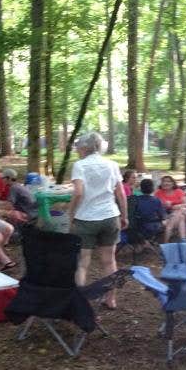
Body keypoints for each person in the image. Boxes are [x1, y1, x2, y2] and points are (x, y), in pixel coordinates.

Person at [68, 132, 127, 309]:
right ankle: (111, 299)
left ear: (85, 147)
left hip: (86, 219)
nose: (77, 150)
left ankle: (79, 300)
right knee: (109, 261)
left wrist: (70, 214)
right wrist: (125, 216)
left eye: (78, 147)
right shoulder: (112, 164)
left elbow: (78, 193)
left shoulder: (80, 165)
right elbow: (121, 193)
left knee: (82, 263)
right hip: (110, 217)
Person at [154, 175, 186, 243]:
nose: (166, 183)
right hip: (167, 213)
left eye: (168, 181)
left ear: (173, 183)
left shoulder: (179, 191)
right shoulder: (158, 193)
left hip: (183, 211)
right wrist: (165, 205)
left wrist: (176, 206)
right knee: (181, 217)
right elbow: (155, 206)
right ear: (161, 183)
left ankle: (167, 238)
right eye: (164, 181)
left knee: (180, 211)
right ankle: (183, 240)